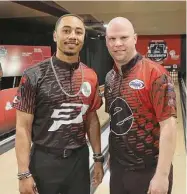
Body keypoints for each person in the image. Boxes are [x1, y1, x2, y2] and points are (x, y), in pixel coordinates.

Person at [12, 14, 104, 194]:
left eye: (78, 32)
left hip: (79, 160)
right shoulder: (34, 75)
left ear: (83, 37)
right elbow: (22, 128)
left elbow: (92, 120)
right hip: (45, 160)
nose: (72, 36)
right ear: (55, 36)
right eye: (66, 31)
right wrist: (23, 173)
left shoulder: (90, 75)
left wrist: (98, 158)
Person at [104, 17, 177, 194]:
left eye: (123, 37)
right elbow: (116, 123)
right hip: (118, 171)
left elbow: (169, 126)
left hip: (148, 170)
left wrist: (161, 175)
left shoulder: (155, 74)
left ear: (135, 38)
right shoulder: (109, 78)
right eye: (112, 39)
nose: (117, 43)